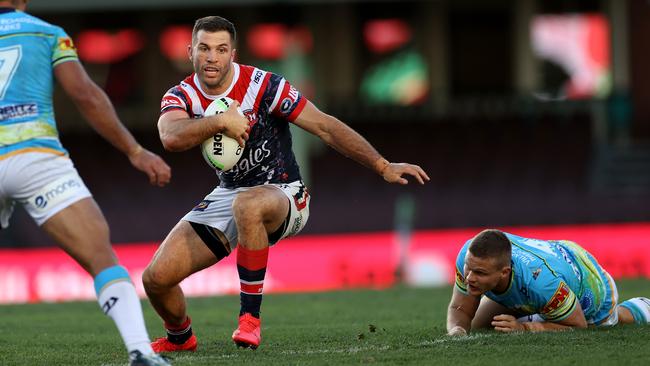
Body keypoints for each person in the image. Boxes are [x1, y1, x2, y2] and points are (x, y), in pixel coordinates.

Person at [142, 15, 430, 352]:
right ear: (190, 51)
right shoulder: (182, 95)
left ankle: (249, 322)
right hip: (228, 192)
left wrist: (381, 165)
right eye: (204, 48)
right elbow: (170, 136)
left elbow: (324, 126)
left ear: (232, 54)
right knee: (155, 279)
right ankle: (180, 337)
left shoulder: (264, 86)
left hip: (284, 191)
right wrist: (221, 122)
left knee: (247, 204)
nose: (211, 57)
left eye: (220, 49)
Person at [0, 1, 172, 365]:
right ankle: (141, 351)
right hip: (35, 157)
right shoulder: (47, 34)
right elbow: (86, 95)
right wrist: (135, 150)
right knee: (100, 257)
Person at [447, 229, 650, 335]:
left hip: (588, 283)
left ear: (504, 272)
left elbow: (578, 326)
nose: (470, 277)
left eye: (480, 273)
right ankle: (535, 313)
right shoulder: (469, 254)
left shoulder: (543, 284)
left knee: (606, 322)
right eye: (469, 268)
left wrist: (524, 329)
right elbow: (461, 310)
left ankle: (639, 307)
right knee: (479, 324)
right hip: (551, 264)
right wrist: (457, 331)